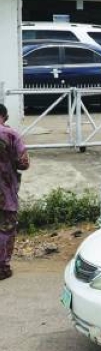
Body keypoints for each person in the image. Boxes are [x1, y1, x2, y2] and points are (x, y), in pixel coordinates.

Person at [0, 105, 30, 280]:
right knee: (5, 230)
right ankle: (2, 267)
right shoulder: (11, 135)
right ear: (4, 115)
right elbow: (23, 164)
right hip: (5, 193)